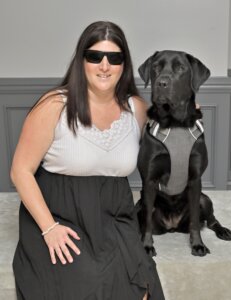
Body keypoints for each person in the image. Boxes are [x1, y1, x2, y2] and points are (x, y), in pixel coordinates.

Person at [11, 21, 165, 300]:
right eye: (95, 56)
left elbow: (170, 133)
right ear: (82, 60)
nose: (104, 66)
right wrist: (49, 228)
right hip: (60, 214)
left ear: (124, 65)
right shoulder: (55, 105)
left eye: (114, 58)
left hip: (116, 216)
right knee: (89, 284)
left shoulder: (136, 109)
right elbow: (20, 170)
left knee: (143, 289)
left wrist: (187, 109)